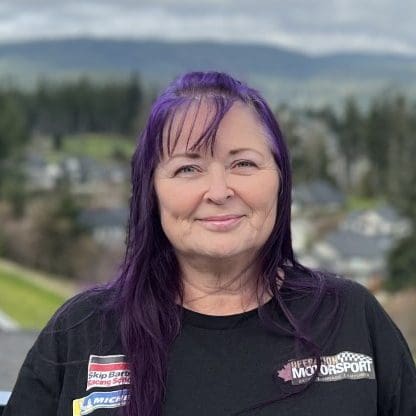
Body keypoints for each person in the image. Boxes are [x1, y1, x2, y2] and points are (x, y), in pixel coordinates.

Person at [4, 71, 416, 416]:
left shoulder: (350, 317)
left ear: (280, 180)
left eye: (243, 163)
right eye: (188, 168)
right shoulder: (82, 331)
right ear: (151, 192)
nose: (218, 191)